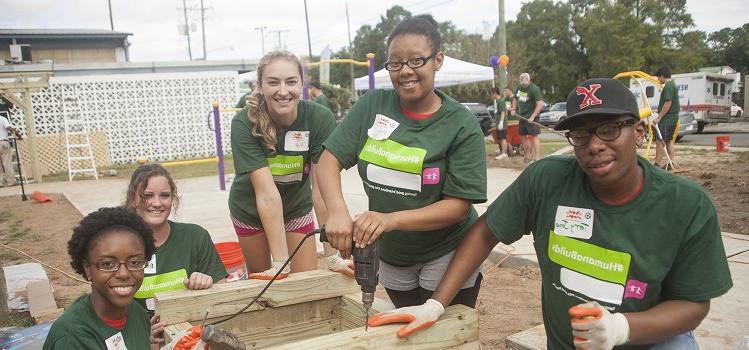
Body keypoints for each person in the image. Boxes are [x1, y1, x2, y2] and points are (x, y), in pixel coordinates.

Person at [368, 78, 733, 349]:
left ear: (638, 132)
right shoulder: (547, 181)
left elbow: (693, 303)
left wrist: (622, 328)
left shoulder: (685, 204)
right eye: (580, 134)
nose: (594, 146)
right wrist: (434, 305)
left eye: (609, 129)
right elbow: (484, 231)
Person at [318, 15, 487, 309]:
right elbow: (328, 160)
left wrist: (389, 220)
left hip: (447, 250)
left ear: (438, 60)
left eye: (416, 61)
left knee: (443, 333)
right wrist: (336, 212)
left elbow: (458, 206)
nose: (405, 71)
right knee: (407, 325)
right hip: (393, 255)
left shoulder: (461, 124)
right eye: (395, 63)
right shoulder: (372, 105)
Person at [228, 50, 353, 281]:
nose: (283, 91)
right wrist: (280, 263)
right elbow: (266, 196)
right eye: (273, 82)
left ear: (302, 83)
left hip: (295, 207)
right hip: (251, 210)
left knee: (304, 281)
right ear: (260, 85)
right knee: (265, 286)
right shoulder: (243, 123)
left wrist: (333, 255)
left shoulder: (319, 118)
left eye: (291, 82)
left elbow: (322, 191)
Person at [43, 207, 155, 349]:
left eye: (134, 262)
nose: (124, 274)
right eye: (107, 264)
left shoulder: (136, 312)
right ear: (87, 268)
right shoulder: (72, 338)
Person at [123, 163, 227, 315]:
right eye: (147, 196)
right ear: (133, 199)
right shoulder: (118, 245)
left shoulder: (195, 237)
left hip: (190, 333)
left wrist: (207, 284)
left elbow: (223, 295)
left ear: (173, 198)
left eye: (164, 195)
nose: (157, 203)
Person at [512, 72, 544, 163]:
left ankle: (537, 158)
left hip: (532, 117)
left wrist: (533, 117)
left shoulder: (534, 89)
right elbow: (515, 98)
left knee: (534, 136)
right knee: (522, 136)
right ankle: (528, 156)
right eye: (522, 83)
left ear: (529, 80)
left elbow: (540, 103)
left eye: (525, 83)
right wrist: (514, 108)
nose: (524, 85)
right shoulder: (519, 88)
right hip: (522, 117)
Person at [653, 65, 680, 170]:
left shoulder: (668, 86)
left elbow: (668, 103)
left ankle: (657, 164)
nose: (658, 80)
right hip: (672, 117)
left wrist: (658, 118)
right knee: (668, 141)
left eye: (658, 77)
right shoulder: (673, 85)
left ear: (663, 76)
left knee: (660, 140)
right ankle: (671, 162)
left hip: (667, 118)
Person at [0, 98, 18, 187]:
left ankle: (1, 182)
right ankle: (11, 181)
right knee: (7, 162)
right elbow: (8, 128)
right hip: (3, 142)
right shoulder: (2, 118)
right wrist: (15, 132)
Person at [489, 87, 509, 160]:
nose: (491, 96)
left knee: (503, 138)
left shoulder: (501, 101)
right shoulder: (498, 101)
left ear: (494, 93)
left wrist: (501, 122)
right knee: (501, 138)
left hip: (502, 124)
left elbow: (503, 112)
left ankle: (504, 153)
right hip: (499, 124)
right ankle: (502, 152)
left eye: (491, 94)